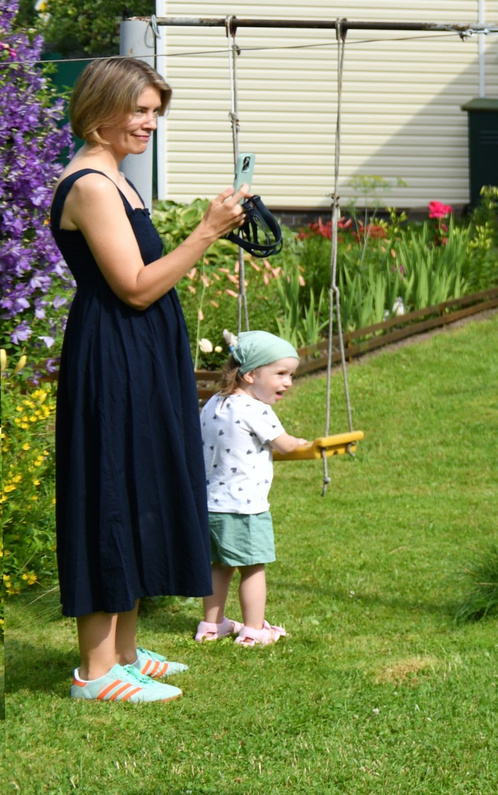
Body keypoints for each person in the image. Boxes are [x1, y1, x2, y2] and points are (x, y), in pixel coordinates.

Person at [51, 56, 246, 702]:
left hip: (139, 351)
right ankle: (96, 672)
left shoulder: (117, 177)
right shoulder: (90, 185)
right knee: (108, 491)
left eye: (156, 112)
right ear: (101, 109)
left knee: (136, 485)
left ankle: (126, 654)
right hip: (113, 352)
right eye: (139, 110)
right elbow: (134, 286)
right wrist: (207, 231)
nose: (150, 123)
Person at [197, 331, 312, 646]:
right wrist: (303, 443)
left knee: (219, 565)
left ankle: (211, 626)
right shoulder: (255, 409)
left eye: (291, 375)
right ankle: (253, 630)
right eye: (281, 374)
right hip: (244, 507)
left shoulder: (213, 403)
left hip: (211, 505)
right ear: (250, 375)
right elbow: (285, 445)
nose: (288, 382)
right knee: (252, 567)